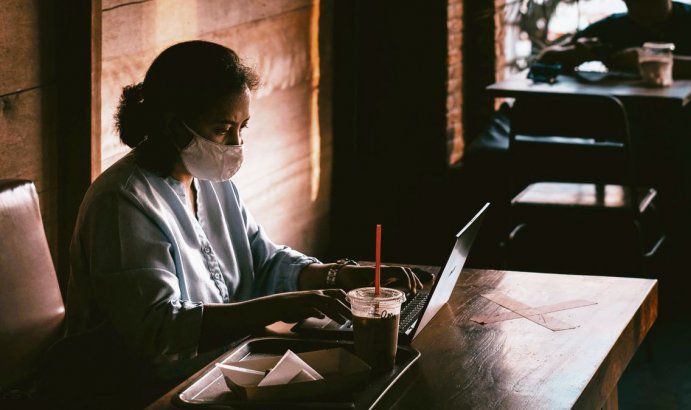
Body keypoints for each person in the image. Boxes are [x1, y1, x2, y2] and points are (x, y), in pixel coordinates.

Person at [63, 41, 429, 387]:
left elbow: (263, 262)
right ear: (175, 127)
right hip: (144, 390)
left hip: (227, 365)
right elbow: (159, 330)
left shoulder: (209, 180)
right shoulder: (123, 202)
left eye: (242, 127)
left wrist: (339, 274)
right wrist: (278, 307)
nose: (237, 144)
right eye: (223, 130)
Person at [537, 0, 691, 271]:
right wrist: (578, 53)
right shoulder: (613, 27)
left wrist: (651, 59)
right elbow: (549, 56)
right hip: (633, 127)